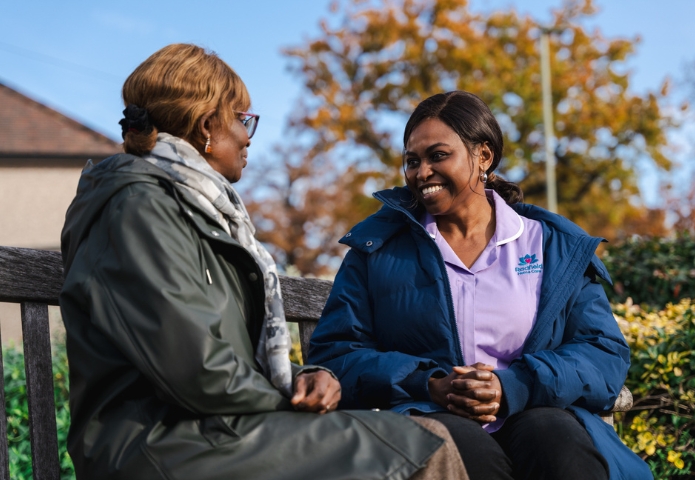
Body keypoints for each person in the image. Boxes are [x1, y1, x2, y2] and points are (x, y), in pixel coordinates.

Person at [59, 44, 470, 480]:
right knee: (423, 447)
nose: (248, 135)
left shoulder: (191, 207)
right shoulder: (139, 207)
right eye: (242, 118)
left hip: (206, 428)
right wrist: (293, 397)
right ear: (206, 127)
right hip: (157, 442)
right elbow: (194, 369)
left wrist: (304, 378)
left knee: (421, 438)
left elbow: (221, 360)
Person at [308, 91, 653, 480]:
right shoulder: (376, 250)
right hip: (429, 416)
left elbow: (602, 352)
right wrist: (430, 383)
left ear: (483, 157)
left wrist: (513, 386)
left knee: (559, 448)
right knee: (464, 454)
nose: (422, 172)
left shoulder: (552, 245)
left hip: (535, 411)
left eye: (438, 156)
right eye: (412, 161)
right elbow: (335, 355)